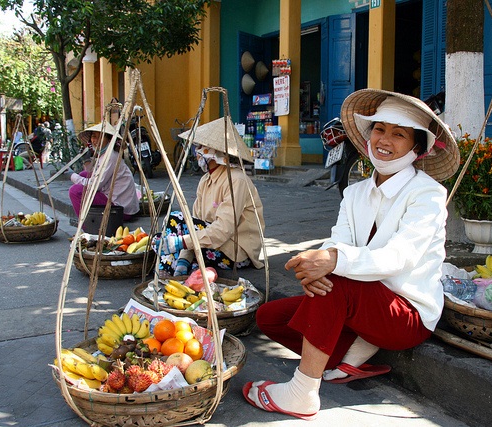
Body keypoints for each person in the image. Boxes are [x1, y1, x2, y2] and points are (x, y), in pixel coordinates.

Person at [242, 89, 460, 420]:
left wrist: (332, 263)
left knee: (336, 279)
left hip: (405, 313)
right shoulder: (355, 192)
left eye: (398, 134)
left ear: (417, 148)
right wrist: (317, 267)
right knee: (268, 317)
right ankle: (348, 354)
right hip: (359, 305)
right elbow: (338, 243)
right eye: (379, 129)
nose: (384, 139)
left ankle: (303, 392)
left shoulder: (428, 195)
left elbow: (399, 257)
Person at [152, 117, 265, 276]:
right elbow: (194, 222)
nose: (196, 153)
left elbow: (223, 230)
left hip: (235, 251)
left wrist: (181, 242)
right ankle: (176, 271)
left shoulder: (237, 180)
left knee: (175, 219)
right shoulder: (205, 181)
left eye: (200, 148)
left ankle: (167, 273)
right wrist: (185, 254)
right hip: (212, 243)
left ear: (212, 152)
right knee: (158, 239)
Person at [68, 121, 139, 223]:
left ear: (109, 140)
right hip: (116, 200)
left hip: (121, 209)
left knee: (75, 191)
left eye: (99, 137)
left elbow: (95, 185)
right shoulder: (104, 155)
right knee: (84, 175)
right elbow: (95, 175)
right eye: (93, 137)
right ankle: (91, 217)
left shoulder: (110, 157)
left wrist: (71, 176)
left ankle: (85, 225)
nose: (95, 140)